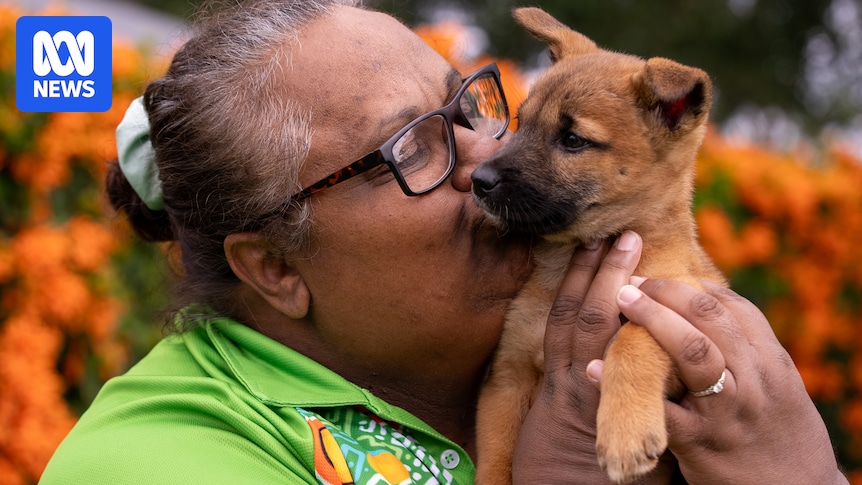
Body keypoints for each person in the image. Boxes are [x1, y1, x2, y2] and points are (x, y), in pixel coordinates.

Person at [40, 0, 848, 483]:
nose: (488, 157)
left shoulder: (577, 336)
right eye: (411, 146)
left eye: (467, 106)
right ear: (275, 267)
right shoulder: (155, 460)